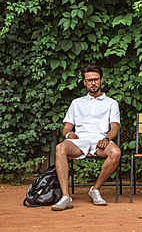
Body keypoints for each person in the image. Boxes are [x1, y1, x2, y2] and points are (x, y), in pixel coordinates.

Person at [51, 64, 121, 211]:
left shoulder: (111, 103)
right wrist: (67, 134)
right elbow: (67, 128)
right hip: (79, 141)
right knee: (60, 148)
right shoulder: (76, 103)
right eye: (89, 80)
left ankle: (94, 190)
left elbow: (115, 127)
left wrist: (107, 139)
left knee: (115, 152)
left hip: (100, 140)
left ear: (101, 81)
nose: (93, 83)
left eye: (96, 79)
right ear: (84, 82)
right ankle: (66, 197)